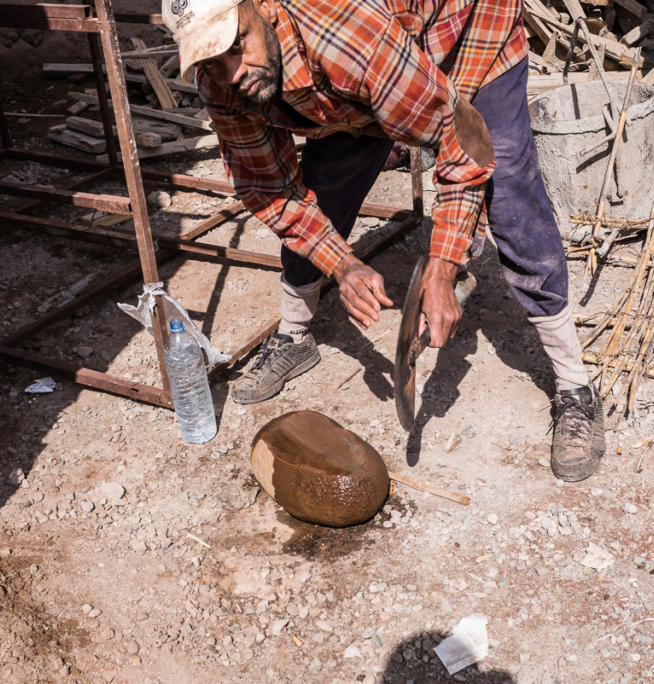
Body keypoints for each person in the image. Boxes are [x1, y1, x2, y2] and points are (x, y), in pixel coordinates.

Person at [161, 0, 605, 481]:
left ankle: (575, 386)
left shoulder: (347, 40)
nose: (232, 72)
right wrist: (342, 264)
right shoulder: (226, 83)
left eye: (235, 45)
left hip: (470, 29)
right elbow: (270, 189)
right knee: (324, 185)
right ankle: (295, 334)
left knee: (509, 192)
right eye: (210, 61)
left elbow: (458, 140)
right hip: (363, 75)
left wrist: (442, 267)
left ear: (262, 8)